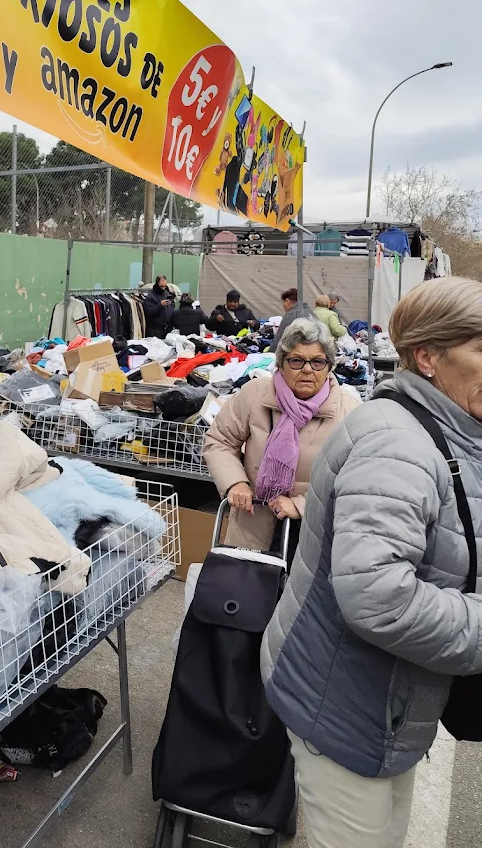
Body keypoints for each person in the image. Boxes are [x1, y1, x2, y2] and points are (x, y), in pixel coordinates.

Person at [261, 277, 482, 848]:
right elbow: (378, 596)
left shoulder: (449, 427)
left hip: (391, 701)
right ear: (428, 357)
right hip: (346, 702)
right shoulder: (397, 445)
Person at [204, 318, 358, 551]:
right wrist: (235, 483)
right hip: (252, 525)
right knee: (249, 586)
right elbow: (220, 441)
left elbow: (357, 479)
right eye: (296, 361)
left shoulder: (349, 411)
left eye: (317, 362)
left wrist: (301, 505)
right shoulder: (255, 395)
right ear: (280, 363)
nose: (307, 369)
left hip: (314, 536)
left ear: (329, 366)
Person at [268, 286, 312, 352]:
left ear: (287, 301)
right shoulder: (311, 313)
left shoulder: (290, 316)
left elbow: (278, 339)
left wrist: (268, 354)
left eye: (283, 303)